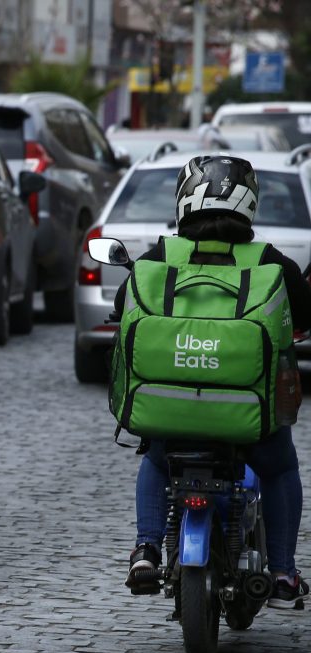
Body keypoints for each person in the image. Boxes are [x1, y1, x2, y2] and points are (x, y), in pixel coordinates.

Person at [117, 155, 311, 608]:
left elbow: (125, 302)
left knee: (156, 458)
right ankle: (282, 572)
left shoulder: (163, 255)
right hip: (250, 422)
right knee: (280, 468)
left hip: (169, 413)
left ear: (184, 199)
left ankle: (146, 548)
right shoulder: (268, 261)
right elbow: (303, 314)